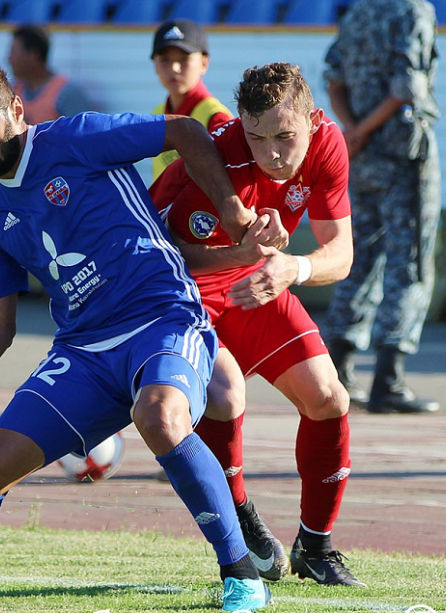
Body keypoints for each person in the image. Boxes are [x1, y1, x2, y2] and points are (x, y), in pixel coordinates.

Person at [0, 62, 272, 612]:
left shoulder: (76, 139)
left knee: (161, 417)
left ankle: (243, 576)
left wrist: (233, 211)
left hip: (163, 316)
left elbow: (184, 131)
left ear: (16, 111)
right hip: (84, 351)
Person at [151, 62, 364, 586]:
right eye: (257, 136)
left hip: (257, 283)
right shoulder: (215, 156)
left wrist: (297, 267)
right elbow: (158, 255)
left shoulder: (328, 144)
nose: (271, 153)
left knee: (329, 398)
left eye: (284, 136)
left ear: (313, 122)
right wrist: (240, 252)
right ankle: (240, 513)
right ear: (240, 125)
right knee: (226, 396)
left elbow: (342, 252)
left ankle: (316, 545)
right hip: (187, 292)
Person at [322, 0, 441, 414]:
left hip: (362, 157)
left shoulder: (358, 13)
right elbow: (406, 87)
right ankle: (388, 379)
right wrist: (367, 129)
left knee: (360, 256)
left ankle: (338, 369)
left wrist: (351, 131)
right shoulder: (412, 11)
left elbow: (333, 78)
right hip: (401, 153)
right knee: (409, 261)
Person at [150, 18, 233, 180]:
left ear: (204, 63)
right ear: (155, 64)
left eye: (184, 59)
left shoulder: (216, 117)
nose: (174, 68)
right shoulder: (156, 114)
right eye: (165, 60)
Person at [7, 24, 91, 124]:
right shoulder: (13, 91)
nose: (9, 59)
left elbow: (82, 135)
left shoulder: (67, 93)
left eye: (13, 52)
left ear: (33, 55)